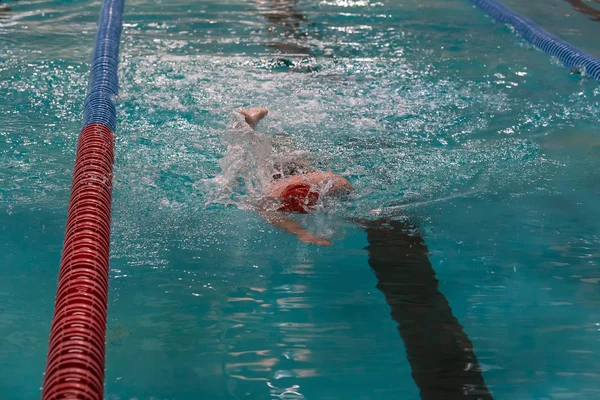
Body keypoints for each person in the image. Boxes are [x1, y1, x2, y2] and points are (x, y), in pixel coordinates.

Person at [237, 107, 354, 246]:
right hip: (297, 171)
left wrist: (301, 232)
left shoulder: (277, 191)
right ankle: (252, 124)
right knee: (280, 156)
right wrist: (301, 232)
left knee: (275, 157)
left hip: (295, 172)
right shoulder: (277, 191)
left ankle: (252, 123)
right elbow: (269, 213)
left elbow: (269, 212)